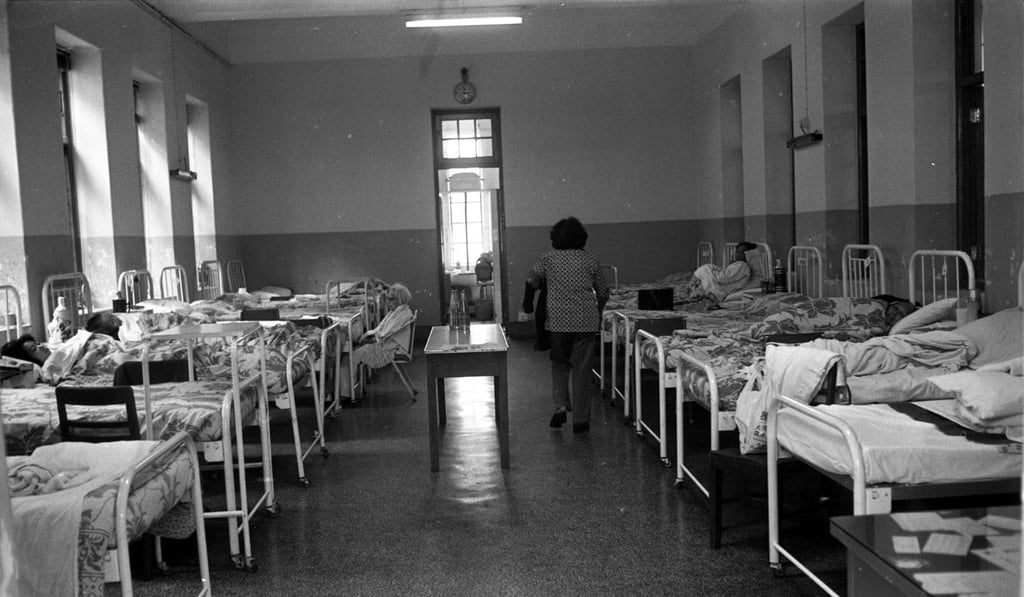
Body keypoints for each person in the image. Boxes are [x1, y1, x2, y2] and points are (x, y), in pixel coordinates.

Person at [526, 216, 609, 433]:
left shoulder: (547, 259)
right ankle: (581, 421)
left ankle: (561, 405)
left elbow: (532, 280)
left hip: (558, 323)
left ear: (555, 238)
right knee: (582, 370)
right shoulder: (590, 260)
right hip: (586, 323)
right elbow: (603, 292)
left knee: (559, 364)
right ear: (582, 238)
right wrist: (597, 311)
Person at [351, 283, 415, 372]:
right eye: (387, 299)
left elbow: (384, 335)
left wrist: (368, 336)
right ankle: (349, 383)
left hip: (390, 351)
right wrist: (369, 335)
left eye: (391, 299)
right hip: (389, 347)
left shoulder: (402, 315)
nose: (388, 302)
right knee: (355, 352)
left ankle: (346, 385)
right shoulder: (398, 312)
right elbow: (383, 332)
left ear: (400, 300)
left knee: (351, 357)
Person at [687, 241, 758, 302]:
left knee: (705, 269)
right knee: (705, 270)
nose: (738, 255)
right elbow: (728, 274)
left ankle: (696, 288)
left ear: (748, 255)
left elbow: (724, 278)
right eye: (737, 252)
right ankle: (696, 288)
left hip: (722, 288)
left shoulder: (742, 265)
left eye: (742, 253)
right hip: (722, 286)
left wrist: (710, 272)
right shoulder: (739, 264)